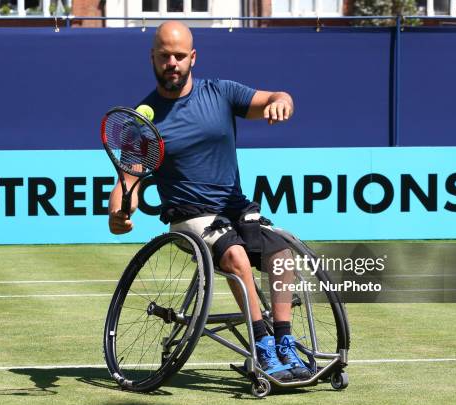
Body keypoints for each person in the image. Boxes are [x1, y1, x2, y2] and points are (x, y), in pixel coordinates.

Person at [108, 21, 312, 381]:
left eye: (180, 55)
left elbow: (277, 97)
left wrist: (283, 103)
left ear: (193, 57)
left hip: (236, 208)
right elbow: (128, 182)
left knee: (281, 252)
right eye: (165, 55)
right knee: (234, 254)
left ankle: (285, 341)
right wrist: (118, 213)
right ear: (153, 57)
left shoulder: (220, 92)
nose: (172, 62)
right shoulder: (141, 122)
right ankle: (262, 346)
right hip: (188, 215)